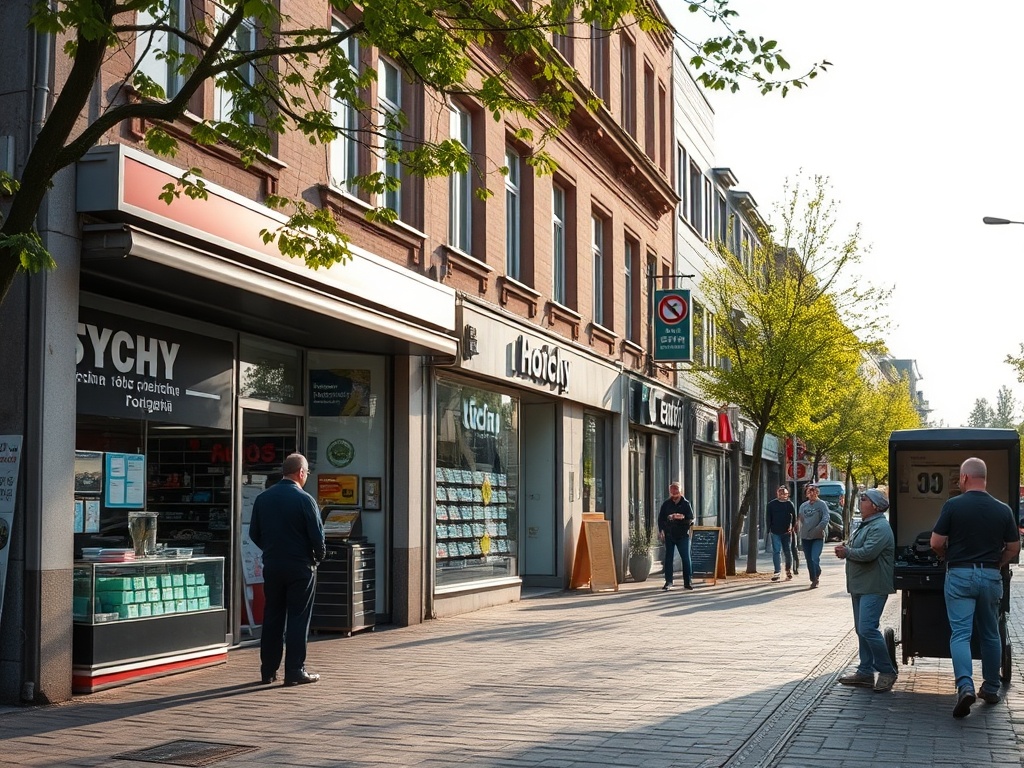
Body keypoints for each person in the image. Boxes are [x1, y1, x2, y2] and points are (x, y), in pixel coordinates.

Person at [930, 457, 1020, 718]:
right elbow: (1014, 548)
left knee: (960, 634)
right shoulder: (1003, 509)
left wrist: (946, 556)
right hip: (991, 576)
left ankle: (965, 686)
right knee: (991, 633)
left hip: (959, 574)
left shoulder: (953, 505)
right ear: (985, 478)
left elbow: (936, 541)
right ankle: (991, 688)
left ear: (965, 478)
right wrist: (998, 562)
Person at [249, 452, 327, 686]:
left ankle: (268, 671)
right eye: (307, 473)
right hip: (300, 566)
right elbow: (318, 537)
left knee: (272, 616)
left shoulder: (263, 498)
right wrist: (316, 558)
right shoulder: (304, 499)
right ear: (301, 473)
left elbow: (254, 533)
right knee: (298, 617)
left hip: (272, 565)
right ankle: (294, 670)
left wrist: (272, 550)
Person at [834, 488, 898, 692]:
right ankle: (865, 671)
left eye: (864, 499)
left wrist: (847, 552)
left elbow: (868, 553)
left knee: (868, 628)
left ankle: (886, 671)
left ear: (876, 506)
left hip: (874, 585)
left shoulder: (880, 527)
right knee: (862, 629)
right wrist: (848, 549)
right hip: (861, 584)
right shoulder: (867, 525)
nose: (860, 502)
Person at [658, 481, 695, 591]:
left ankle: (687, 582)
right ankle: (668, 582)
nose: (674, 493)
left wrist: (681, 517)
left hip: (683, 535)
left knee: (686, 558)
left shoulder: (686, 504)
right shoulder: (666, 504)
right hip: (670, 534)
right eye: (672, 491)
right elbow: (661, 519)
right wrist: (661, 530)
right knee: (668, 558)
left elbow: (691, 519)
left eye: (676, 490)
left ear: (680, 491)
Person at [798, 484, 830, 589]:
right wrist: (798, 528)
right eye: (809, 491)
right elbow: (800, 519)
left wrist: (819, 528)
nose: (811, 493)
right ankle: (814, 578)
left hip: (817, 536)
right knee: (808, 559)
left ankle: (817, 572)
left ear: (817, 493)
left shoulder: (822, 504)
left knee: (814, 557)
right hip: (805, 536)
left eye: (813, 491)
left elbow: (826, 517)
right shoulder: (803, 506)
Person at [766, 486, 796, 581]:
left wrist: (792, 527)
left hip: (787, 531)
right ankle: (777, 571)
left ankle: (788, 570)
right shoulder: (771, 504)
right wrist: (769, 529)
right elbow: (768, 518)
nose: (782, 495)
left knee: (787, 551)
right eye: (780, 493)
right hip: (775, 531)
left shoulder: (789, 504)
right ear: (777, 494)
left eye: (785, 494)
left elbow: (794, 517)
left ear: (787, 495)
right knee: (776, 551)